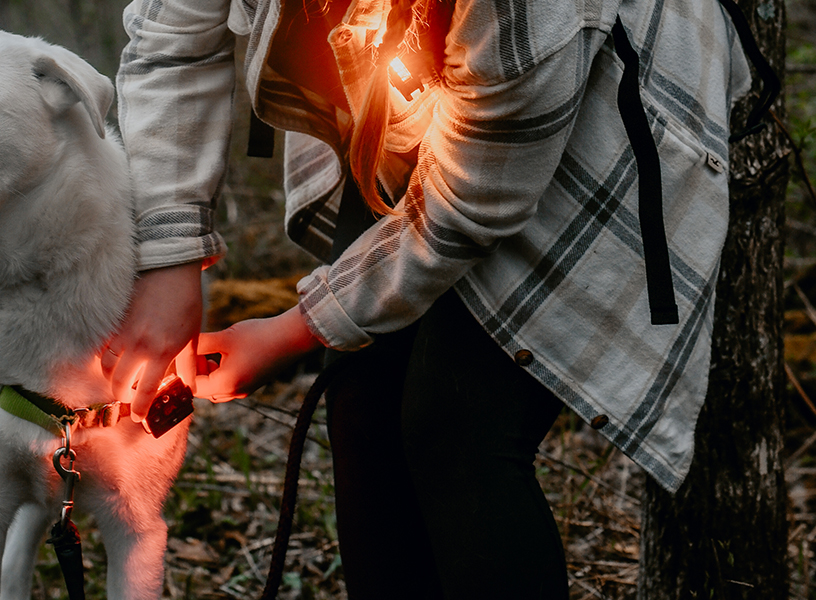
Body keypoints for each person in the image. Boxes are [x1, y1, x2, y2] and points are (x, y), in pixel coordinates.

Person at [103, 0, 751, 596]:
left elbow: (472, 200)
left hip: (588, 86)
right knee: (362, 401)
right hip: (409, 70)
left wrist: (299, 327)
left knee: (457, 427)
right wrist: (169, 260)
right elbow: (171, 36)